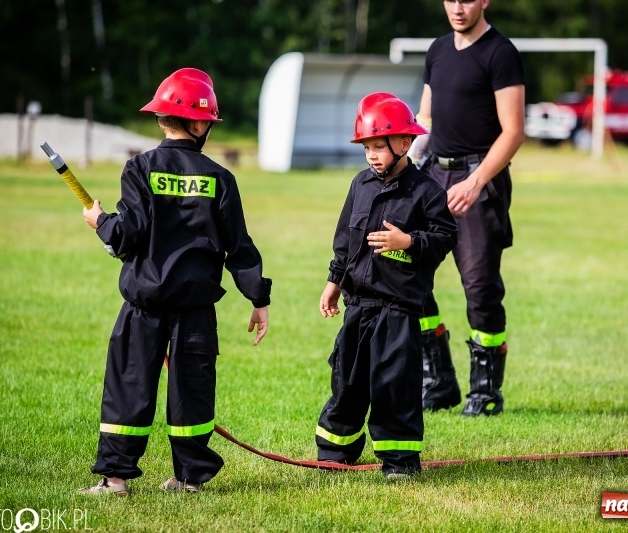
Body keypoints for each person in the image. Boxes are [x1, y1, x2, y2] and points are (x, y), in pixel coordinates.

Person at [78, 67, 271, 495]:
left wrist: (100, 221)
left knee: (129, 385)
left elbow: (128, 236)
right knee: (192, 391)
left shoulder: (140, 168)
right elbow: (238, 246)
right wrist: (258, 297)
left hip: (143, 305)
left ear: (164, 118)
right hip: (195, 309)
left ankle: (114, 479)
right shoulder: (220, 178)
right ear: (199, 122)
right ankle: (189, 480)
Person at [315, 93, 457, 479]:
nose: (372, 155)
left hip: (398, 309)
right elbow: (345, 240)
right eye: (367, 148)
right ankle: (334, 452)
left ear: (404, 143)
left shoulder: (425, 191)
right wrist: (333, 281)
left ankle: (399, 461)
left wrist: (409, 242)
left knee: (394, 384)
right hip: (357, 304)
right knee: (347, 378)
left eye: (379, 146)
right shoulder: (360, 185)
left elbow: (445, 237)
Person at [409, 0, 526, 416]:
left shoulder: (500, 53)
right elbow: (424, 120)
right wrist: (402, 163)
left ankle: (485, 393)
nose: (458, 7)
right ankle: (437, 382)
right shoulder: (438, 50)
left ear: (485, 1)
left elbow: (513, 132)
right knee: (409, 270)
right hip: (432, 178)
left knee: (479, 287)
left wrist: (476, 181)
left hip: (480, 180)